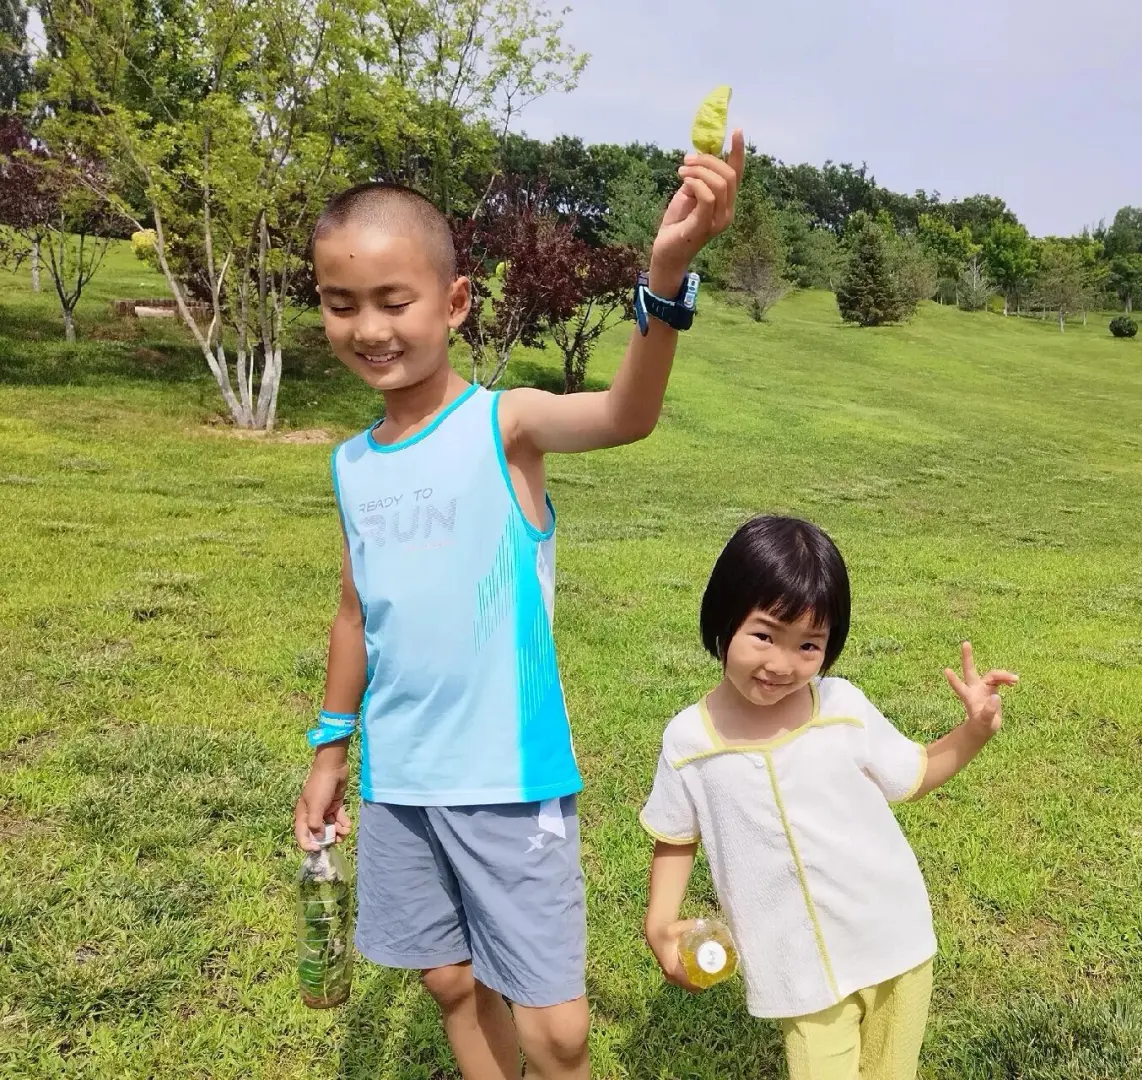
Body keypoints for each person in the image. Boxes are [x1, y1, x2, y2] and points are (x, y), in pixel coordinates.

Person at [292, 129, 745, 1080]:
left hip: (508, 779)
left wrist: (665, 275)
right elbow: (352, 612)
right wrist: (331, 751)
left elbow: (627, 414)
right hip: (400, 780)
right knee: (450, 981)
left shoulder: (505, 426)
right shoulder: (351, 465)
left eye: (393, 300)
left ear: (454, 303)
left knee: (558, 1035)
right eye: (342, 305)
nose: (369, 328)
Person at [641, 515, 1018, 1080]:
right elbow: (676, 836)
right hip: (795, 966)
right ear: (724, 620)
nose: (782, 664)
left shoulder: (841, 707)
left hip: (894, 937)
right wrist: (659, 923)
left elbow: (913, 773)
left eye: (809, 645)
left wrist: (974, 731)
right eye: (765, 635)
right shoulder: (689, 743)